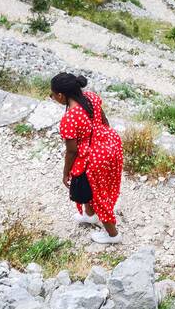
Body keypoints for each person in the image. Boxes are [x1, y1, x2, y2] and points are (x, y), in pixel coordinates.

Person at [52, 72, 124, 244]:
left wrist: (66, 172)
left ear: (61, 95)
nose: (52, 96)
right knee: (93, 186)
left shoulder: (70, 118)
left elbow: (72, 151)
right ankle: (89, 215)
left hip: (95, 156)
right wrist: (102, 141)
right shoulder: (91, 97)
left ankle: (113, 235)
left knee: (97, 193)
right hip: (110, 144)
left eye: (52, 94)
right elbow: (104, 121)